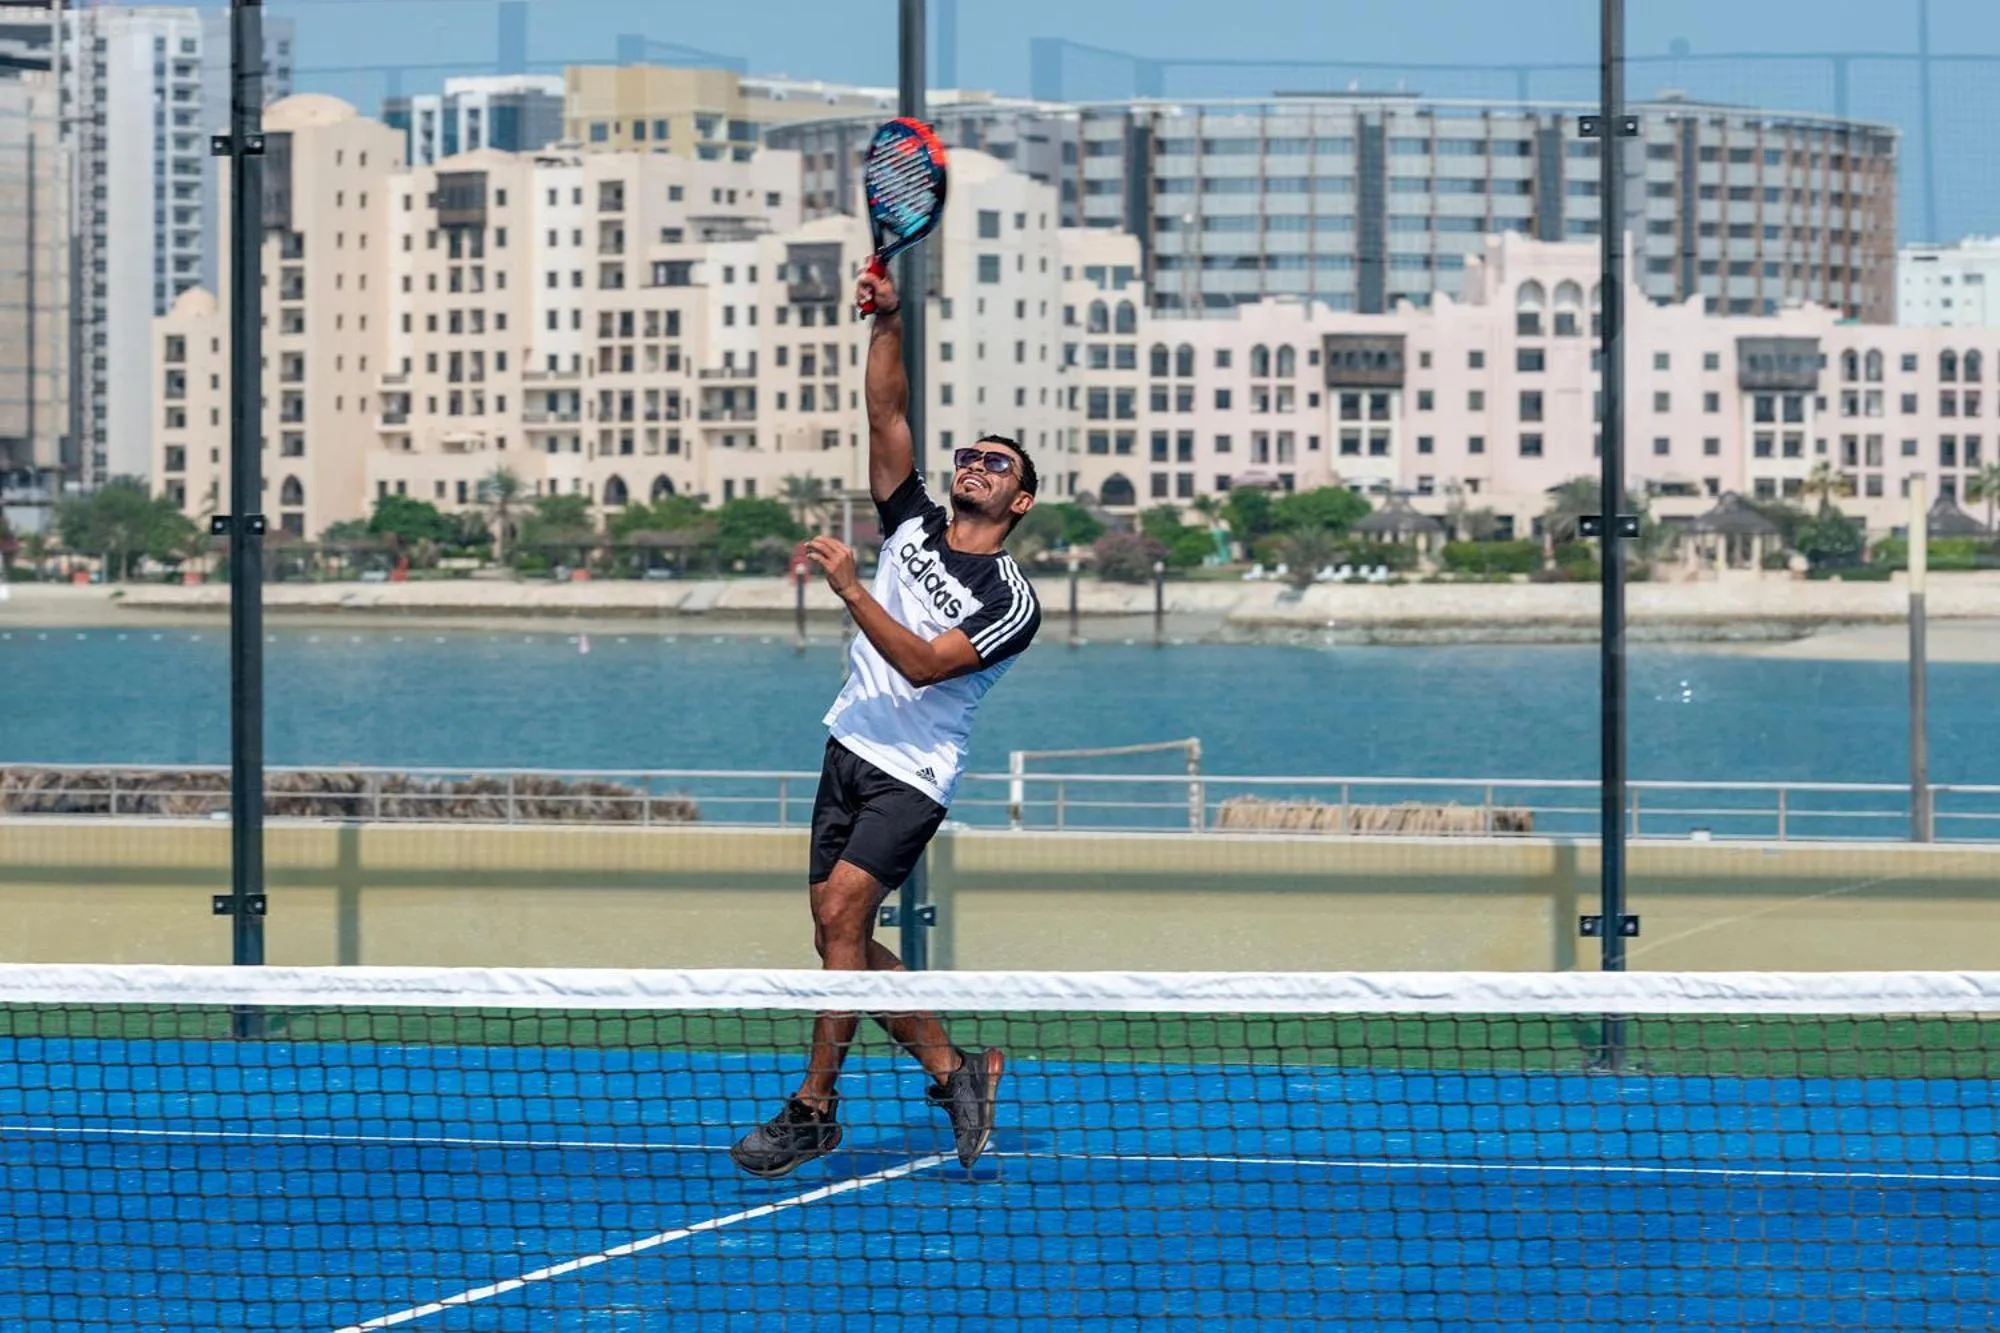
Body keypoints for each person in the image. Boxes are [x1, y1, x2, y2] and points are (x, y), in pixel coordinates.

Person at [730, 260, 1042, 1180]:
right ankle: (953, 1072)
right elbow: (888, 416)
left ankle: (813, 1107)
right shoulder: (909, 520)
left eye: (998, 464)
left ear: (1018, 502)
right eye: (972, 456)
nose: (975, 466)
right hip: (847, 746)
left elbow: (921, 661)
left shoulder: (1011, 598)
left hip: (911, 775)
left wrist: (851, 590)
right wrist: (886, 322)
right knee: (838, 937)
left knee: (838, 916)